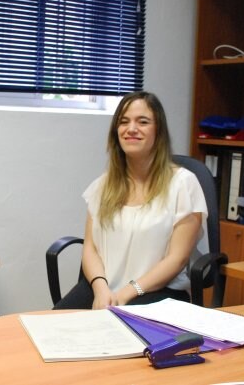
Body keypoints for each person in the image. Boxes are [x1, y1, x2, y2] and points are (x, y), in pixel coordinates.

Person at [54, 91, 208, 310]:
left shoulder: (183, 184)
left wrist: (127, 293)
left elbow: (177, 259)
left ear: (159, 131)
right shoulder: (103, 186)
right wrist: (100, 288)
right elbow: (90, 249)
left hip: (159, 292)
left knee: (114, 338)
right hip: (104, 289)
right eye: (124, 122)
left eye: (142, 122)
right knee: (48, 329)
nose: (131, 128)